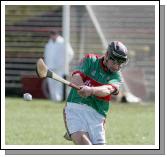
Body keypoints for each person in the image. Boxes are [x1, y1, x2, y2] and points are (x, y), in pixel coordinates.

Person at [63, 41, 129, 145]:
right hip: (76, 108)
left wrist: (91, 90)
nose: (116, 67)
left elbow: (108, 89)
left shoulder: (117, 76)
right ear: (107, 55)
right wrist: (81, 88)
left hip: (97, 116)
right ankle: (74, 130)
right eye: (114, 62)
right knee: (86, 145)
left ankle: (72, 131)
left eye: (120, 64)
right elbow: (76, 77)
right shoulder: (90, 60)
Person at [44, 30, 74, 101]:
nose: (52, 36)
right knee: (51, 84)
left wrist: (64, 64)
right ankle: (53, 99)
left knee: (59, 84)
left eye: (53, 34)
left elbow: (71, 54)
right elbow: (46, 55)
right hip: (50, 67)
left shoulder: (63, 42)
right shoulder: (49, 44)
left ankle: (59, 99)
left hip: (60, 68)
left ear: (57, 35)